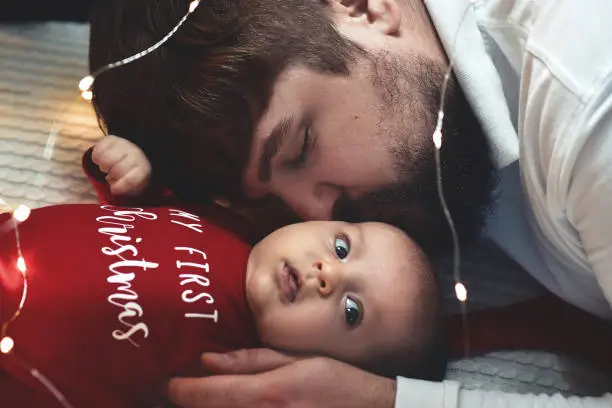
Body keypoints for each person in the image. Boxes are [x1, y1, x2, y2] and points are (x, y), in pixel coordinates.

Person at [87, 0, 612, 406]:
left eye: (300, 148)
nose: (316, 215)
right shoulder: (426, 124)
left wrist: (387, 401)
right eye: (270, 203)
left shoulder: (588, 100)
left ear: (363, 7)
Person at [0, 201, 444, 407]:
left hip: (23, 375)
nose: (329, 273)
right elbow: (136, 198)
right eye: (343, 247)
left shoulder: (232, 372)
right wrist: (126, 166)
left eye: (352, 311)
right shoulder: (228, 220)